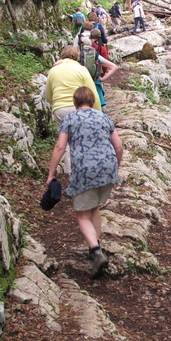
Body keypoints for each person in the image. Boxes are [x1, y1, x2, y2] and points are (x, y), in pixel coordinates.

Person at [46, 86, 123, 279]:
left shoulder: (69, 119)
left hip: (85, 171)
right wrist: (115, 167)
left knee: (81, 215)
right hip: (107, 168)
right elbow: (119, 146)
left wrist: (51, 174)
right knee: (94, 207)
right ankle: (95, 248)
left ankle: (96, 251)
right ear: (92, 100)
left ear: (75, 102)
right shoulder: (104, 117)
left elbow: (60, 147)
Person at [45, 46, 101, 174]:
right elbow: (93, 93)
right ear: (77, 56)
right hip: (79, 107)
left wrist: (56, 105)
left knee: (65, 142)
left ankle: (70, 173)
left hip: (59, 109)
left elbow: (48, 95)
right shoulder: (81, 70)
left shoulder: (53, 71)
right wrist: (98, 113)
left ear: (61, 56)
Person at [84, 31, 118, 113]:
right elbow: (111, 66)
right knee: (99, 100)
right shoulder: (100, 48)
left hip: (83, 80)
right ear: (99, 37)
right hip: (95, 78)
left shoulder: (78, 53)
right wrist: (102, 77)